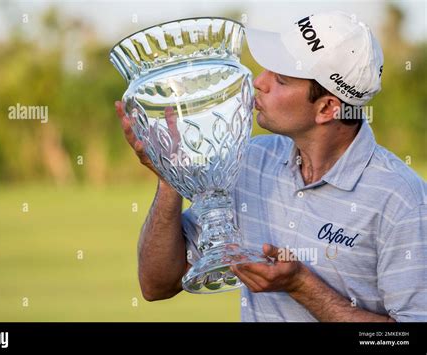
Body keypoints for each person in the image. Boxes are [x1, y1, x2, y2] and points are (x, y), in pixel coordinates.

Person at [114, 11, 426, 322]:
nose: (258, 82)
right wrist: (171, 176)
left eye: (281, 79)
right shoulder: (250, 160)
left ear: (327, 108)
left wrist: (301, 285)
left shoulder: (401, 200)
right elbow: (156, 285)